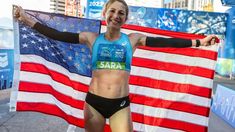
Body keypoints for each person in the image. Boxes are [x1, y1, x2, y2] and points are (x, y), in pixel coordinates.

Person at [14, 0, 217, 131]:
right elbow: (57, 35)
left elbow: (165, 42)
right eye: (112, 11)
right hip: (94, 102)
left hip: (120, 105)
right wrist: (26, 19)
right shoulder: (91, 37)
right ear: (105, 14)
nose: (116, 15)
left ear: (125, 18)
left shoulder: (133, 40)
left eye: (121, 13)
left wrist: (198, 42)